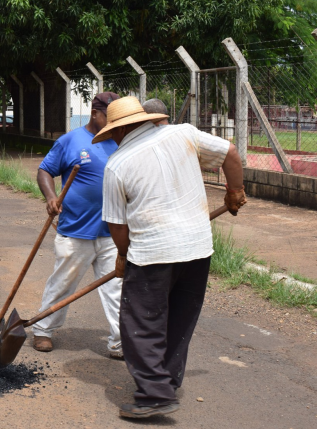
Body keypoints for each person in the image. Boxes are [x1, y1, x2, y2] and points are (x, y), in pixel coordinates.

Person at [93, 96, 245, 418]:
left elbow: (117, 226)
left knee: (141, 323)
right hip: (197, 248)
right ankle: (168, 382)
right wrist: (234, 191)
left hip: (152, 254)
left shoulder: (117, 165)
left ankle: (153, 395)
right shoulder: (183, 133)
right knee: (179, 318)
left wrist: (123, 255)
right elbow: (230, 152)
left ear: (119, 131)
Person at [32, 92, 124, 359]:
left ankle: (119, 343)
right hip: (75, 230)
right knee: (62, 283)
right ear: (95, 113)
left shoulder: (122, 142)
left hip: (112, 233)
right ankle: (43, 330)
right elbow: (45, 170)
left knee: (117, 290)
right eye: (110, 117)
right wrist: (51, 198)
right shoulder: (71, 140)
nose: (115, 123)